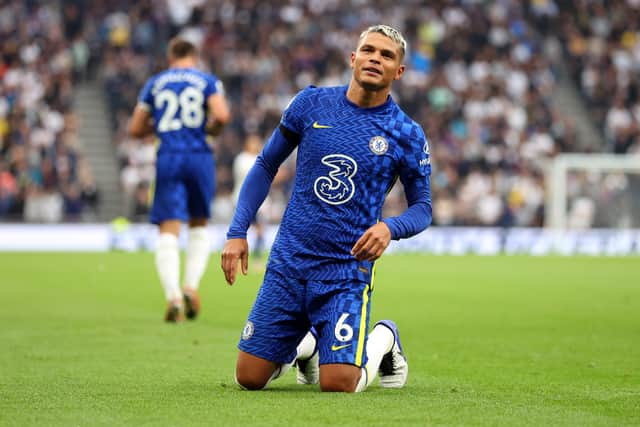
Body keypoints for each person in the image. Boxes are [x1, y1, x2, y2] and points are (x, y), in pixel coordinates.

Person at [221, 24, 432, 392]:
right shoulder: (311, 104)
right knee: (248, 378)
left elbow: (423, 208)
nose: (374, 59)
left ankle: (384, 338)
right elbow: (266, 164)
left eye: (386, 55)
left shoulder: (406, 133)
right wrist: (237, 230)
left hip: (345, 271)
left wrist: (389, 228)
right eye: (368, 50)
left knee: (339, 385)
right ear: (353, 58)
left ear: (399, 71)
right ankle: (307, 346)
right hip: (289, 263)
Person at [129, 37, 231, 322]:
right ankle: (191, 286)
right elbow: (222, 115)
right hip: (199, 156)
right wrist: (209, 130)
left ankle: (173, 294)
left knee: (168, 229)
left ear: (170, 56)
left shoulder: (155, 83)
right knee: (199, 222)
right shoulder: (206, 80)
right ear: (194, 56)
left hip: (169, 156)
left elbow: (135, 128)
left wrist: (160, 126)